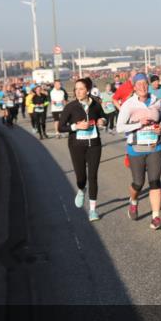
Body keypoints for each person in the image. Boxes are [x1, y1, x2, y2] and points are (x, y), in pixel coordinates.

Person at [116, 73, 161, 228]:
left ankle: (156, 217)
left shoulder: (157, 101)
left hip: (155, 147)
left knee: (155, 182)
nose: (142, 87)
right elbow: (119, 127)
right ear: (134, 87)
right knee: (138, 183)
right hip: (136, 149)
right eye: (139, 84)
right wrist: (139, 124)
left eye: (145, 84)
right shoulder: (129, 104)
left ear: (148, 85)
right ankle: (133, 201)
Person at [59, 78, 107, 221]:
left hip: (94, 144)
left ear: (88, 90)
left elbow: (103, 117)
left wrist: (102, 121)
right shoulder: (71, 107)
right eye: (76, 89)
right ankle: (81, 189)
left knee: (93, 176)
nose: (77, 92)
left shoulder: (96, 105)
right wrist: (76, 126)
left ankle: (92, 210)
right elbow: (61, 127)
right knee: (81, 178)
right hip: (76, 146)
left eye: (81, 89)